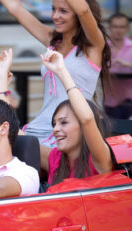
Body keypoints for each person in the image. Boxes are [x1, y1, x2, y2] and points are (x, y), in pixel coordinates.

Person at [0, 0, 111, 146]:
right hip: (37, 128)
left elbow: (83, 10)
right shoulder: (53, 40)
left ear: (77, 15)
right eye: (53, 9)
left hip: (68, 133)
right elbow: (15, 7)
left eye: (63, 11)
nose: (55, 16)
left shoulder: (93, 45)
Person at [39, 49, 113, 186]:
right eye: (54, 124)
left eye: (64, 122)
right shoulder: (55, 158)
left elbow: (87, 119)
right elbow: (13, 134)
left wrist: (61, 71)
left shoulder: (98, 159)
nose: (55, 129)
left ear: (83, 128)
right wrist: (1, 81)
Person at [104, 13, 132, 119]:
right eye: (115, 26)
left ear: (127, 28)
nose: (118, 30)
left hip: (129, 101)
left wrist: (128, 65)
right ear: (109, 27)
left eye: (122, 27)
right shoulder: (103, 47)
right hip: (108, 101)